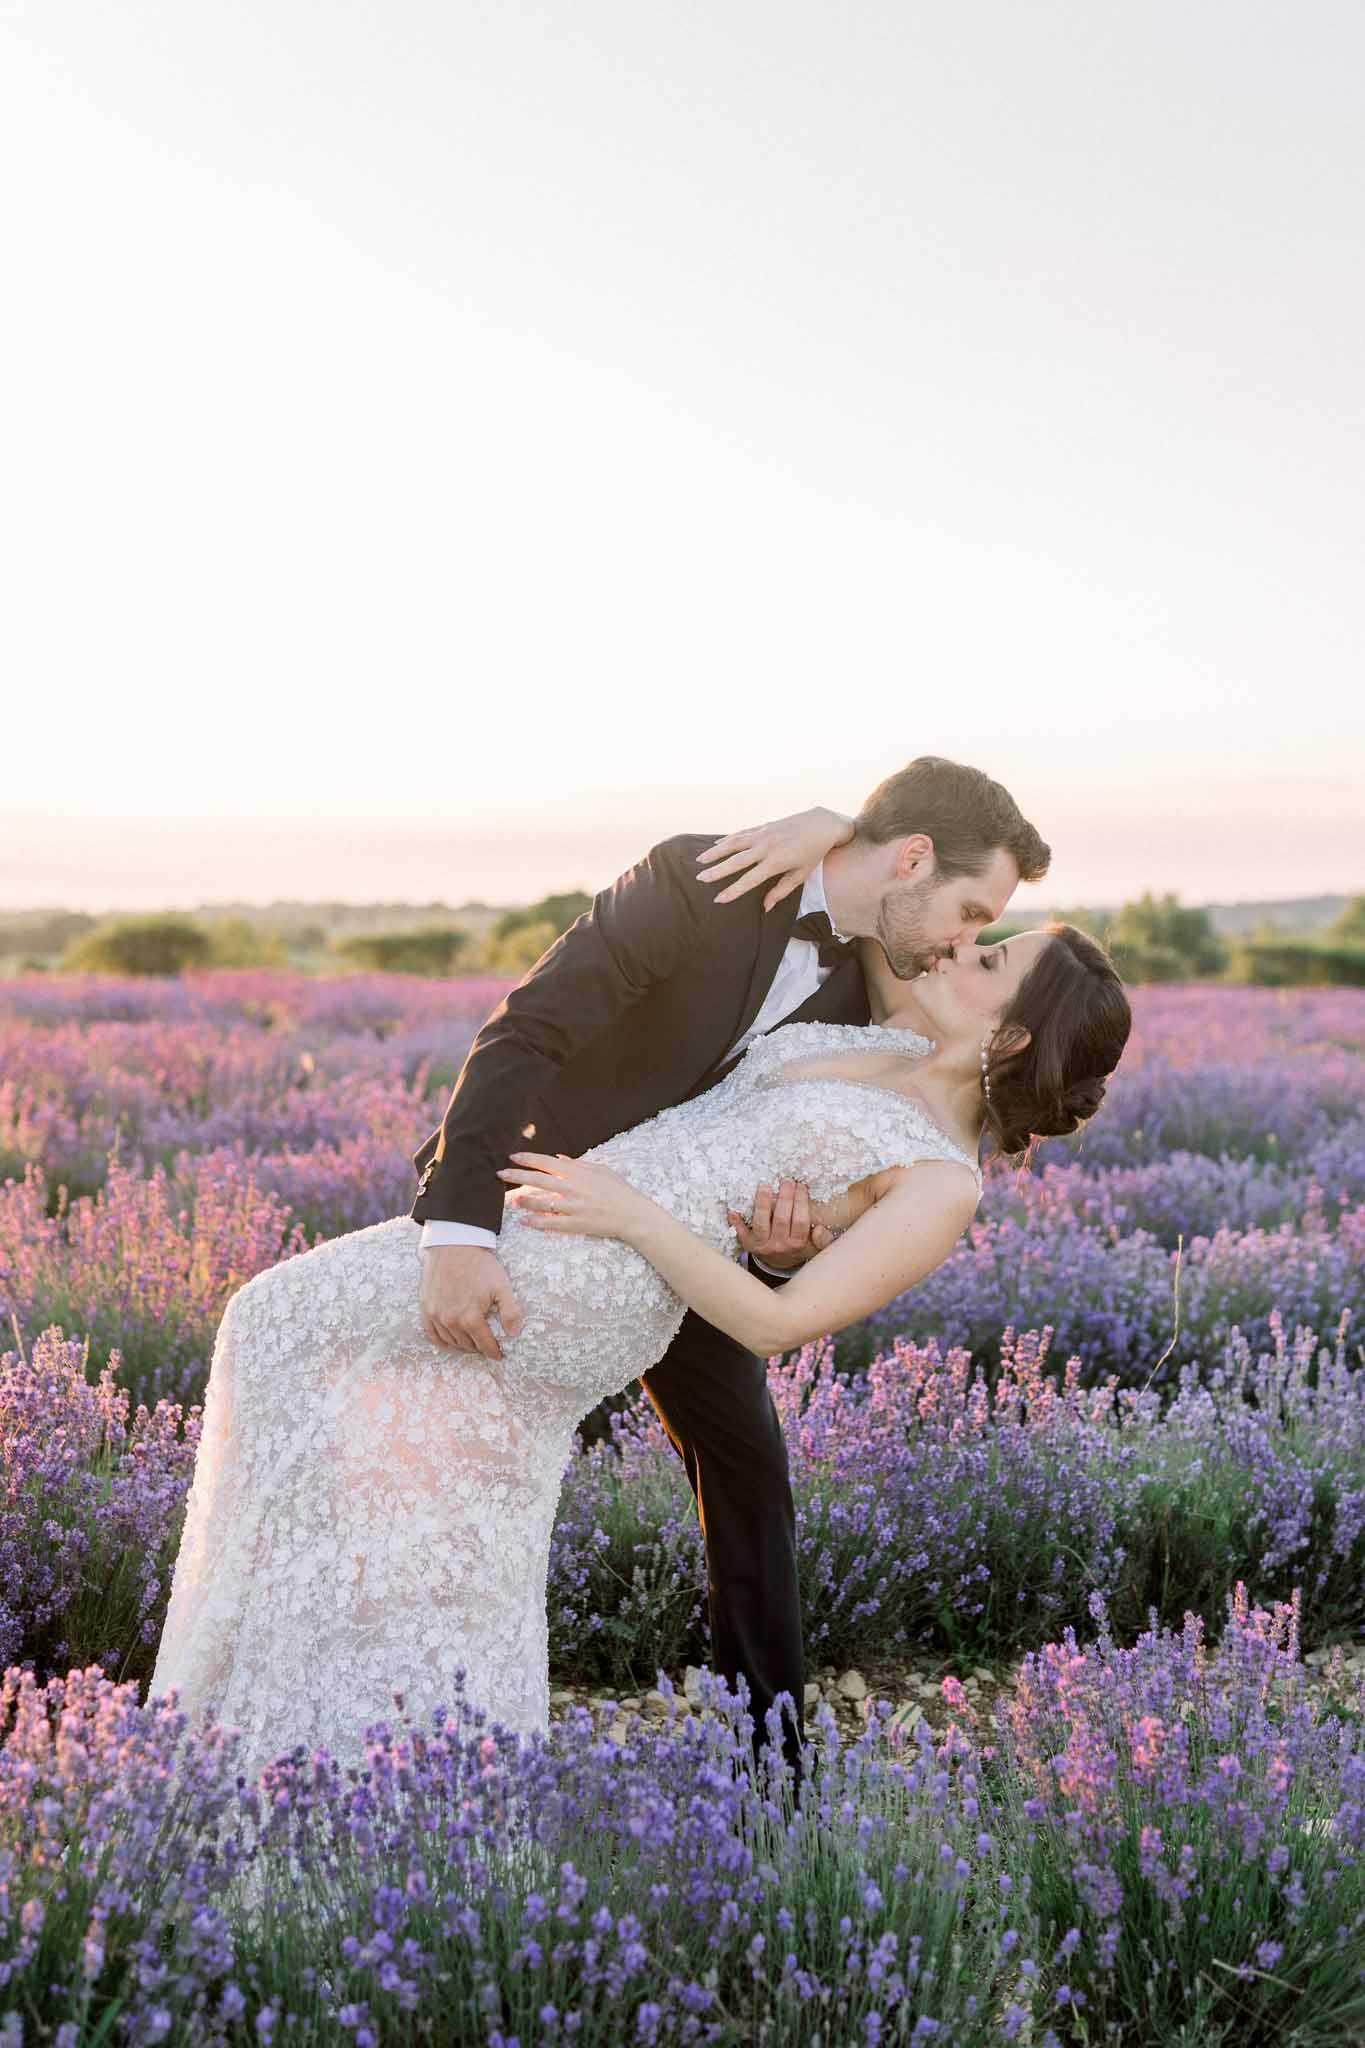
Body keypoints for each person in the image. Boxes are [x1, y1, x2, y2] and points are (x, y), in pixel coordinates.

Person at [149, 760, 1130, 1782]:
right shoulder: (748, 914)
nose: (962, 940)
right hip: (563, 1197)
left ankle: (767, 1779)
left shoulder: (904, 1014)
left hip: (634, 1247)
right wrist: (459, 1228)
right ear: (913, 859)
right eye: (974, 913)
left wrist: (790, 1236)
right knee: (424, 1460)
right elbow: (528, 1029)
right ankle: (331, 1715)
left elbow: (832, 1228)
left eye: (989, 939)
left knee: (743, 1470)